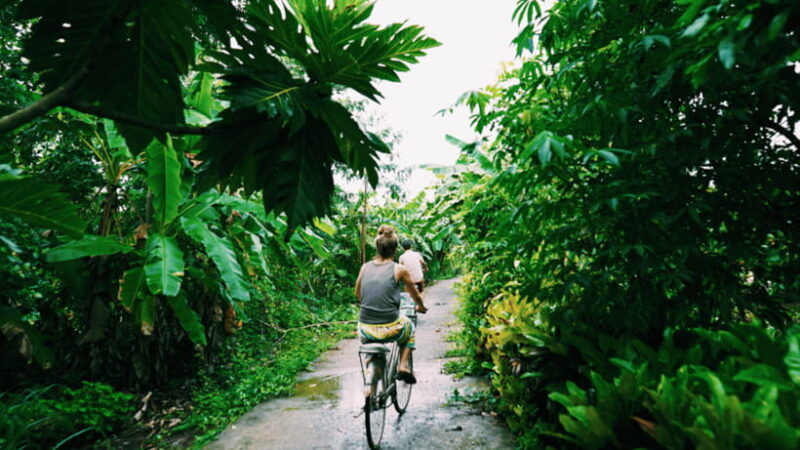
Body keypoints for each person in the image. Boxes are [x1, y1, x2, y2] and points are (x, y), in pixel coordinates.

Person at [355, 225, 427, 385]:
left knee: (369, 336)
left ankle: (370, 376)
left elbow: (358, 294)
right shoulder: (399, 269)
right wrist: (421, 306)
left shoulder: (364, 267)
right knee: (410, 328)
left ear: (377, 248)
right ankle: (403, 365)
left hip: (365, 329)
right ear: (395, 250)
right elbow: (414, 293)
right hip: (391, 327)